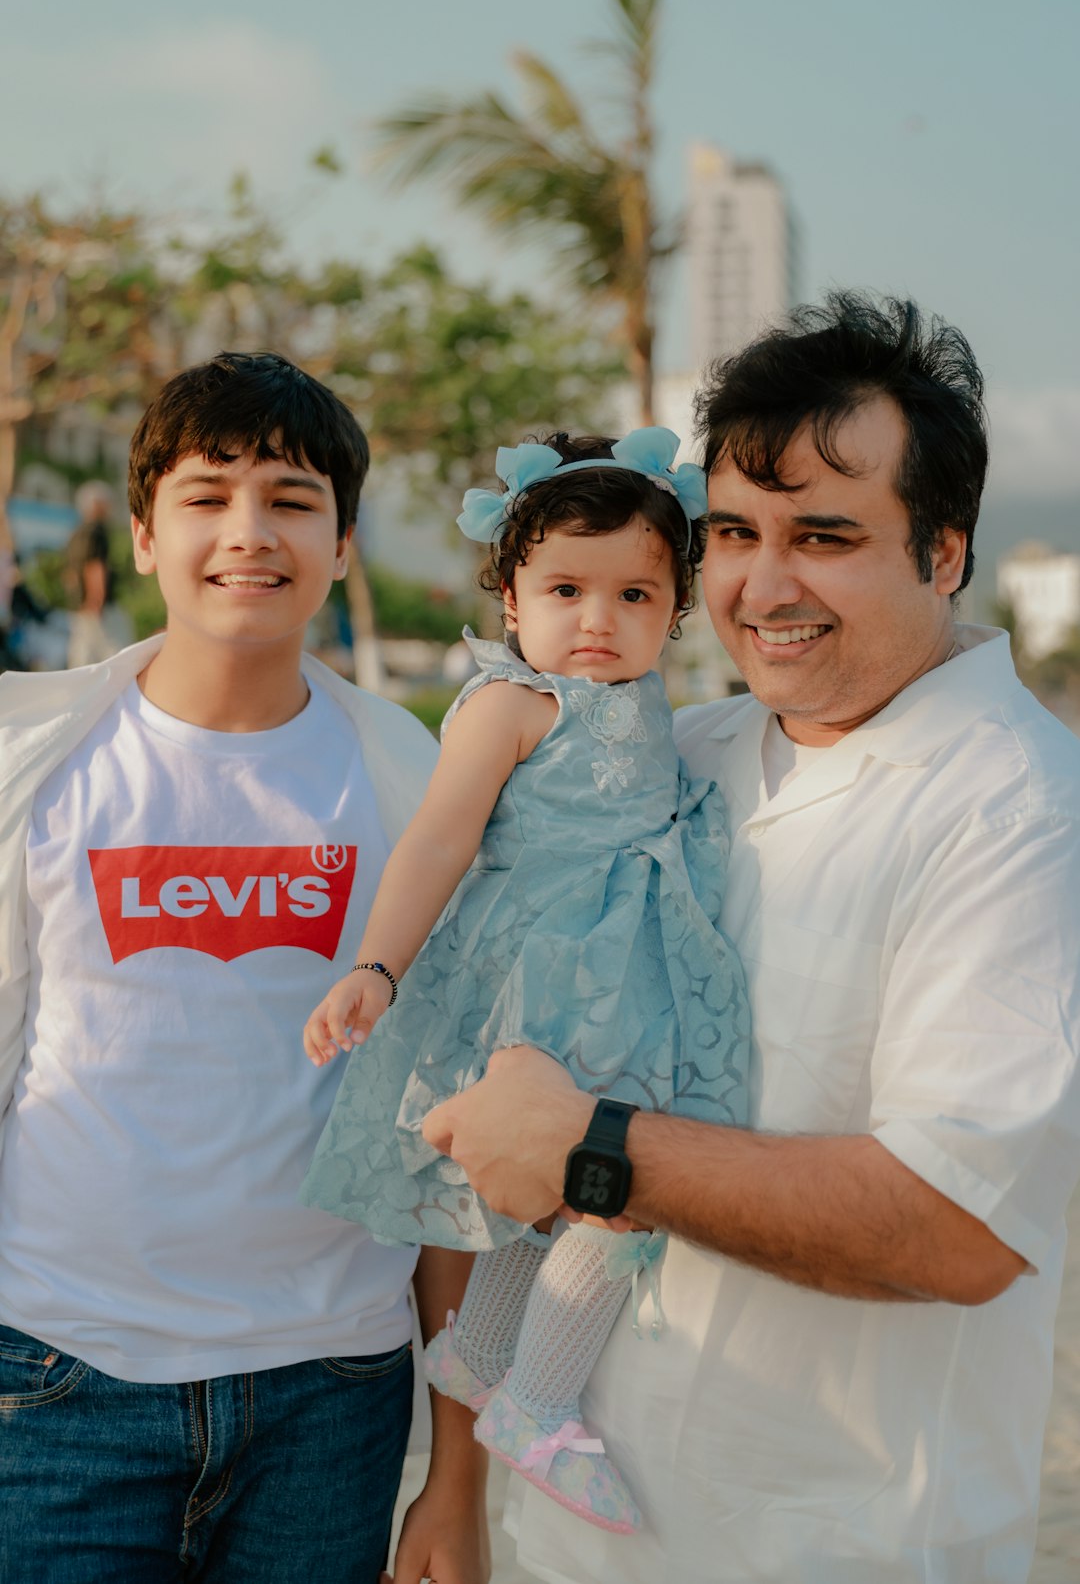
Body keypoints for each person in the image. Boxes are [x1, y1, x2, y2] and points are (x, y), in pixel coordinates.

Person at [420, 294, 1080, 1584]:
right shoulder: (669, 755)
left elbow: (959, 1225)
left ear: (944, 551)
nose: (761, 585)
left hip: (841, 1548)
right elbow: (501, 1084)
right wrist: (453, 1487)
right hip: (562, 1544)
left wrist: (595, 1150)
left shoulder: (1015, 807)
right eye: (733, 532)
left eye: (825, 536)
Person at [0, 352, 488, 1584]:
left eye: (292, 497)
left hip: (330, 1391)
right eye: (209, 495)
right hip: (57, 1374)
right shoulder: (36, 767)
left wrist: (458, 1474)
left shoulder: (414, 787)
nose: (248, 532)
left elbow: (448, 1130)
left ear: (342, 543)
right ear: (147, 529)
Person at [301, 428, 750, 1535]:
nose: (598, 620)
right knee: (615, 1188)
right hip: (541, 982)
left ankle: (484, 1353)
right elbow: (438, 843)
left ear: (676, 608)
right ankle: (540, 1404)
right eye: (565, 589)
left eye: (635, 592)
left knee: (556, 1200)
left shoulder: (656, 704)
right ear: (510, 597)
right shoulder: (511, 704)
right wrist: (376, 965)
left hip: (621, 975)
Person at [63, 478, 135, 666]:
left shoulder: (76, 532)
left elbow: (70, 573)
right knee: (115, 648)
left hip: (80, 603)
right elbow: (95, 567)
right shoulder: (97, 531)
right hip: (97, 604)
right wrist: (97, 599)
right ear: (97, 505)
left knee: (83, 652)